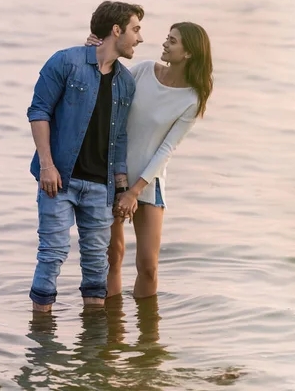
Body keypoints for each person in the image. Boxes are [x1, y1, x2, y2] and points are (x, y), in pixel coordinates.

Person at [27, 1, 144, 312]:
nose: (140, 38)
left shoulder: (126, 82)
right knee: (52, 254)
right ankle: (40, 343)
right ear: (116, 30)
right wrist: (47, 166)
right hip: (59, 179)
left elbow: (119, 139)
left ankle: (92, 351)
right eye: (135, 29)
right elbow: (38, 112)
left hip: (100, 187)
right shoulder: (66, 62)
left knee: (96, 266)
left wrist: (120, 188)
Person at [87, 22, 213, 298]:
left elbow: (166, 149)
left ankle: (148, 339)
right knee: (113, 256)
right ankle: (112, 330)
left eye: (173, 41)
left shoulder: (192, 99)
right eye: (167, 38)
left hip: (147, 183)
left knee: (148, 265)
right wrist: (94, 54)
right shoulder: (143, 71)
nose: (165, 43)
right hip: (110, 173)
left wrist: (134, 192)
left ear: (189, 53)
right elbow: (107, 89)